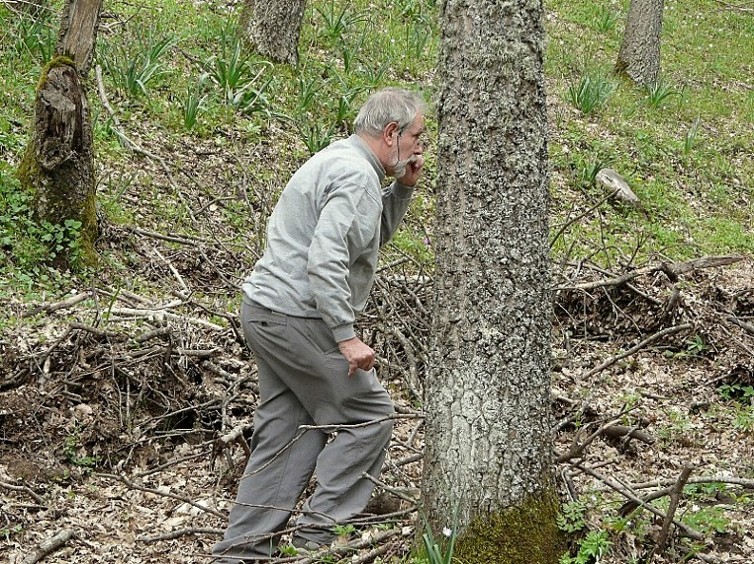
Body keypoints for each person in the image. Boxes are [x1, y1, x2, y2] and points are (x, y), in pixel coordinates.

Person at [212, 87, 427, 563]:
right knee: (371, 414)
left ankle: (241, 552)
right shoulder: (353, 175)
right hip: (296, 317)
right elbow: (326, 259)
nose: (420, 147)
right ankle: (317, 539)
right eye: (416, 136)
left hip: (267, 311)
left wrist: (403, 190)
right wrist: (346, 336)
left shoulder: (349, 164)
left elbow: (363, 238)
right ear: (391, 133)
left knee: (290, 428)